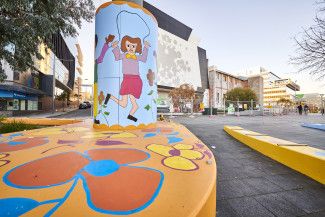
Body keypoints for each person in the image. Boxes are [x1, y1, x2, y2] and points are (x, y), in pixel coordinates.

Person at [104, 36, 150, 122]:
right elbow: (117, 57)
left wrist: (146, 47)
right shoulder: (124, 55)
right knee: (125, 104)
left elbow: (144, 58)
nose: (131, 48)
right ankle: (112, 98)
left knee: (133, 105)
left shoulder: (136, 57)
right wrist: (115, 46)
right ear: (125, 46)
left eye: (133, 46)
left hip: (136, 80)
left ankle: (129, 114)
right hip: (127, 79)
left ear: (137, 47)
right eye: (128, 45)